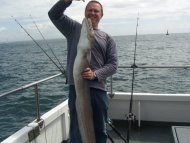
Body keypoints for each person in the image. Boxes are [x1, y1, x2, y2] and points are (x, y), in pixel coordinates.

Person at [48, 0, 118, 142]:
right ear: (84, 13)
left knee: (100, 130)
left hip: (98, 90)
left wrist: (95, 74)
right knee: (76, 130)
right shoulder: (73, 29)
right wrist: (66, 1)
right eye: (89, 10)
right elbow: (54, 15)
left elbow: (113, 65)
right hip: (77, 89)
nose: (92, 13)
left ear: (101, 15)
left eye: (96, 11)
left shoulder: (107, 38)